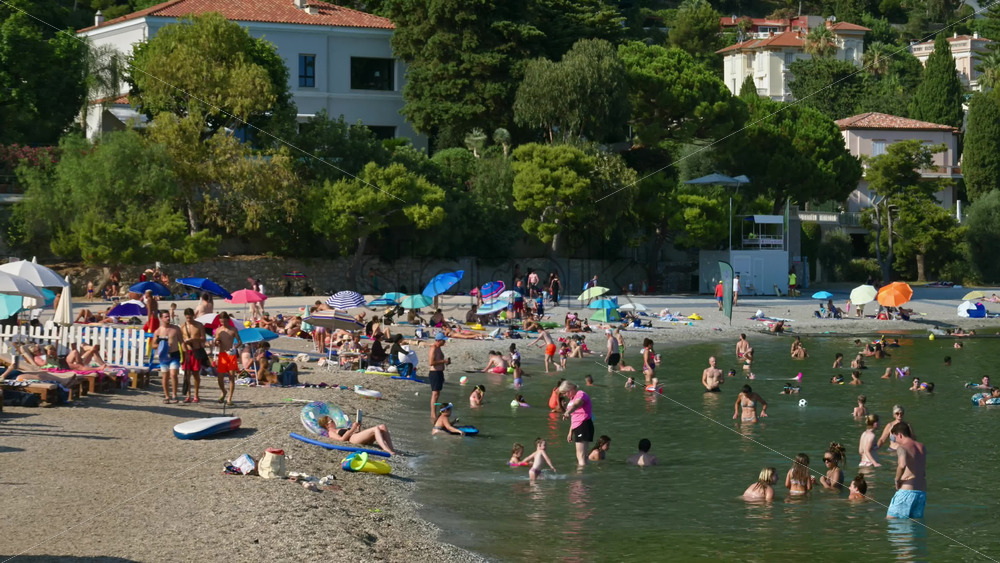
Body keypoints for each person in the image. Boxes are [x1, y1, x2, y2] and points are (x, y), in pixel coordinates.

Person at [886, 422, 927, 519]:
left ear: (899, 435)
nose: (895, 441)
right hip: (921, 493)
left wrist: (897, 479)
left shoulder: (902, 448)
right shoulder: (921, 446)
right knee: (914, 527)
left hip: (907, 492)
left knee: (892, 521)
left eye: (894, 438)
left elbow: (902, 465)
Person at [319, 415, 397, 455]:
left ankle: (392, 449)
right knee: (375, 428)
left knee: (382, 426)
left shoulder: (338, 429)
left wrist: (356, 429)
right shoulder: (331, 432)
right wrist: (352, 429)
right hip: (353, 439)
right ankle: (386, 450)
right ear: (326, 425)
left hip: (355, 436)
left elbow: (351, 434)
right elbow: (341, 439)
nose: (334, 421)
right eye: (331, 421)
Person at [560, 380, 593, 467]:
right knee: (583, 455)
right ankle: (585, 476)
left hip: (584, 424)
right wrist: (570, 431)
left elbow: (576, 405)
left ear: (570, 389)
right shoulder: (572, 399)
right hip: (578, 426)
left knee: (580, 455)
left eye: (564, 393)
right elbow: (574, 417)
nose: (564, 395)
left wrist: (568, 412)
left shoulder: (580, 394)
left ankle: (580, 476)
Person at [180, 308, 208, 403]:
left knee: (196, 374)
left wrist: (194, 339)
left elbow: (203, 339)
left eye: (190, 317)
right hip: (187, 352)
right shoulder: (183, 326)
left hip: (196, 350)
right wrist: (184, 352)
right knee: (187, 374)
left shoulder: (199, 325)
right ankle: (188, 395)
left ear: (193, 316)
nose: (189, 319)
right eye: (187, 318)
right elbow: (181, 341)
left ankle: (196, 395)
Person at [213, 312, 241, 405]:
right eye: (221, 321)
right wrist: (217, 342)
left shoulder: (233, 329)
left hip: (231, 355)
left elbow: (240, 341)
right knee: (220, 377)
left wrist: (235, 347)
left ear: (228, 320)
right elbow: (216, 340)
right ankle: (223, 391)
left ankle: (229, 398)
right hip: (222, 355)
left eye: (224, 321)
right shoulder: (218, 330)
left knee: (231, 377)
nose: (223, 323)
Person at [154, 311, 182, 403]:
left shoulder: (176, 329)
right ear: (161, 318)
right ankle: (167, 396)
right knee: (165, 376)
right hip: (164, 356)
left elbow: (182, 342)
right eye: (166, 317)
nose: (168, 318)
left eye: (169, 316)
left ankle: (174, 395)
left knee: (173, 375)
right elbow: (153, 345)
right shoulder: (158, 331)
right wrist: (162, 345)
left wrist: (186, 354)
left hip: (174, 354)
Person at [427, 332, 451, 423]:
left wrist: (445, 362)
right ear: (438, 340)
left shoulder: (439, 348)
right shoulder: (433, 348)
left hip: (439, 372)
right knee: (435, 394)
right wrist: (443, 361)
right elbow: (431, 362)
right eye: (443, 341)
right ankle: (433, 414)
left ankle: (435, 412)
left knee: (437, 394)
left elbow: (438, 361)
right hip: (434, 373)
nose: (444, 342)